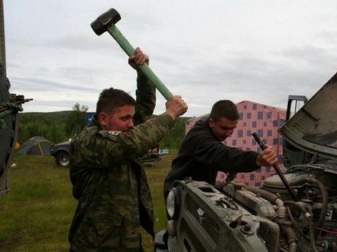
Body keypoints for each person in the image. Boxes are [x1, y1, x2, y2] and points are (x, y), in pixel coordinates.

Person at [68, 48, 187, 251]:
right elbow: (132, 143)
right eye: (125, 118)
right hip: (96, 244)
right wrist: (170, 114)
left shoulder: (121, 131)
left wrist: (143, 72)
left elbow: (144, 107)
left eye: (131, 118)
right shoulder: (88, 142)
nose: (132, 123)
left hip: (127, 239)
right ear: (103, 119)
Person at [164, 99, 278, 197]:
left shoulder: (208, 125)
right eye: (224, 128)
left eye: (232, 128)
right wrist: (257, 159)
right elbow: (222, 155)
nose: (229, 133)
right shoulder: (199, 138)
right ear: (212, 122)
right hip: (179, 192)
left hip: (197, 187)